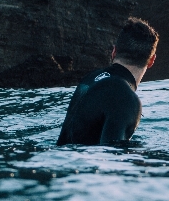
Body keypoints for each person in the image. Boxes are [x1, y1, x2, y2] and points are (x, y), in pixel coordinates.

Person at [56, 17, 159, 146]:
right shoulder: (126, 98)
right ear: (151, 61)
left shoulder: (90, 79)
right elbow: (113, 157)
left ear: (114, 52)